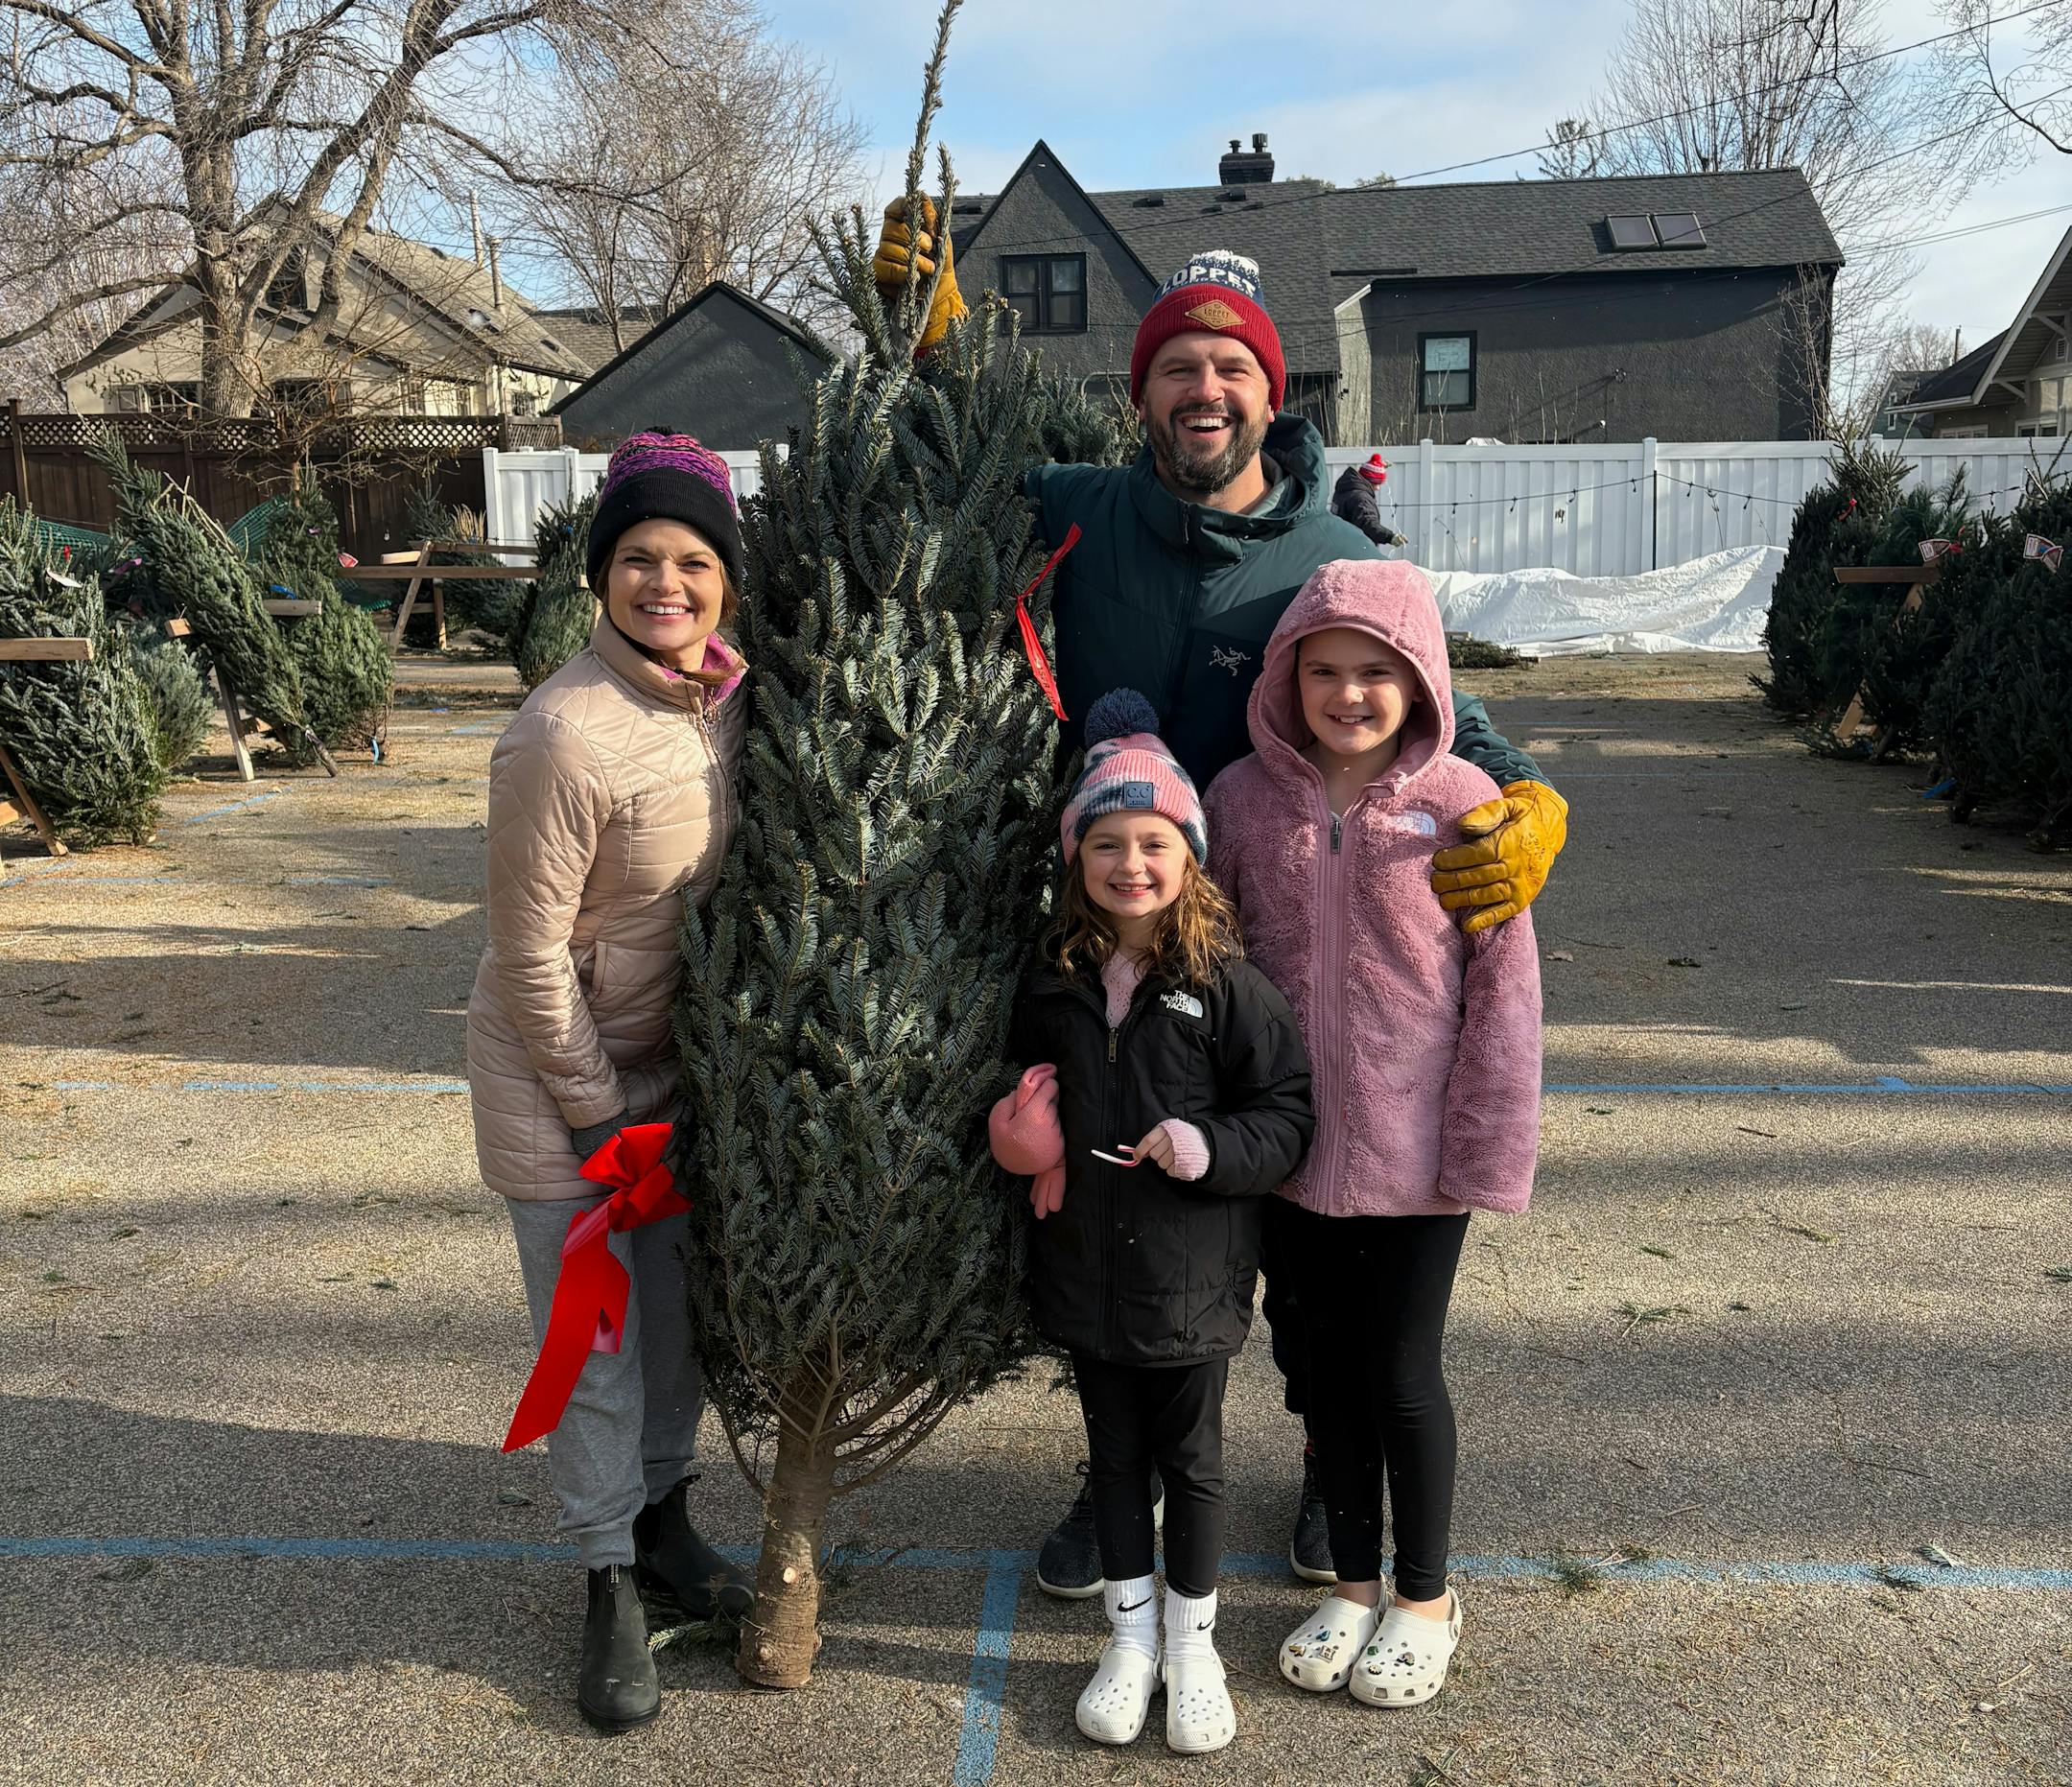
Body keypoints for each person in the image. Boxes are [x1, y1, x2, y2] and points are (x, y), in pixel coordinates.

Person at [873, 209, 1567, 1589]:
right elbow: (936, 477)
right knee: (1123, 1223)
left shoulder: (1328, 547)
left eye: (1230, 368)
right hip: (1113, 932)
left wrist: (1531, 793)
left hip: (1281, 945)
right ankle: (1112, 1478)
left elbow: (1441, 704)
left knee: (1306, 1236)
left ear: (1272, 390)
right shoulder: (1077, 512)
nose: (1204, 391)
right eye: (1177, 369)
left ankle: (1330, 1468)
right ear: (1141, 394)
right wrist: (927, 343)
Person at [1205, 556, 1542, 1708]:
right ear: (1289, 677)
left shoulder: (1461, 806)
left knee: (1401, 1376)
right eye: (1325, 672)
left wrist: (1485, 1146)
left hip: (1417, 1160)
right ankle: (1353, 1584)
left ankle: (1427, 1596)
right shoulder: (1241, 801)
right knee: (1329, 1381)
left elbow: (1503, 992)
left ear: (1419, 679)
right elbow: (1209, 961)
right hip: (1290, 1153)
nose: (1348, 695)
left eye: (1375, 673)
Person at [465, 432, 757, 1731]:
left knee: (674, 1325)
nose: (666, 582)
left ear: (727, 583)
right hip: (561, 1086)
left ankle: (665, 1518)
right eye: (638, 556)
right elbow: (528, 958)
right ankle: (606, 1579)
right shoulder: (558, 732)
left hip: (674, 1078)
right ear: (600, 575)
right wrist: (600, 1119)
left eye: (693, 559)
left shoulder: (730, 695)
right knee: (593, 1342)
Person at [989, 691, 1313, 1754]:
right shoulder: (1056, 974)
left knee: (1196, 1466)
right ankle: (1128, 1645)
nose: (1130, 864)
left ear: (1191, 856)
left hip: (1192, 1279)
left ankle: (1194, 1646)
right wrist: (1018, 1131)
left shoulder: (1225, 984)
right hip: (1085, 1270)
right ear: (1077, 855)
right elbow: (1018, 1079)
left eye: (1154, 843)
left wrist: (1207, 1147)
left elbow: (1287, 1115)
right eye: (1107, 843)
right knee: (1113, 1459)